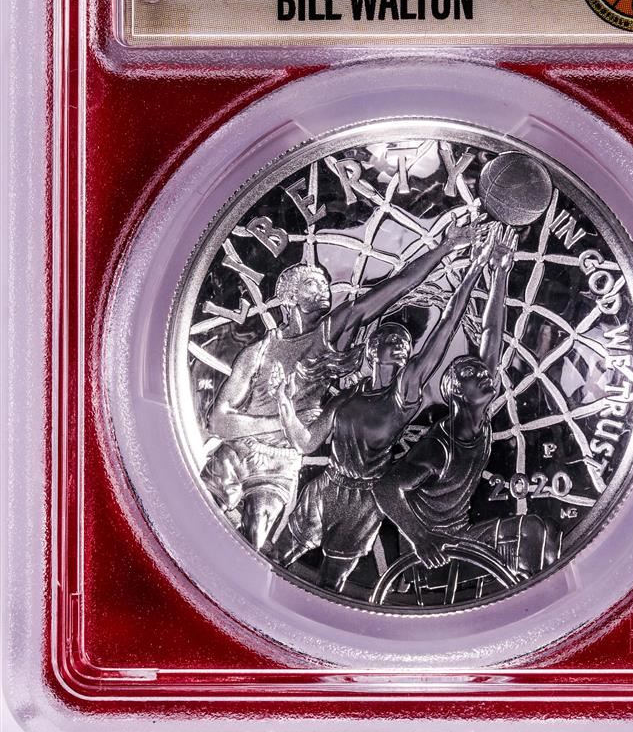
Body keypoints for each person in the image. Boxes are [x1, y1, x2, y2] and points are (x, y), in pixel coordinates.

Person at [202, 211, 479, 550]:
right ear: (290, 298)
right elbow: (218, 422)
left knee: (252, 548)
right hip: (235, 453)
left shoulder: (329, 335)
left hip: (278, 463)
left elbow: (397, 286)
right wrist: (281, 419)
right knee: (188, 519)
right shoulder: (256, 352)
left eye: (324, 282)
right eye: (313, 284)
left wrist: (445, 247)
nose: (325, 288)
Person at [270, 226, 497, 592]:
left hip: (364, 500)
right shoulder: (347, 397)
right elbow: (307, 442)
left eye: (405, 342)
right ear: (372, 350)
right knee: (270, 560)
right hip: (326, 486)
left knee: (330, 588)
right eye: (390, 338)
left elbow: (445, 327)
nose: (400, 344)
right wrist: (284, 406)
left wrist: (474, 269)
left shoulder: (403, 394)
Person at [373, 226, 559, 585]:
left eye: (482, 372)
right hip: (434, 556)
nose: (486, 375)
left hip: (462, 539)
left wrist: (500, 273)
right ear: (457, 392)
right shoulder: (439, 446)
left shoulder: (478, 419)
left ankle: (539, 602)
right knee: (531, 536)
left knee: (544, 536)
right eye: (473, 374)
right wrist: (420, 538)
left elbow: (490, 336)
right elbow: (385, 488)